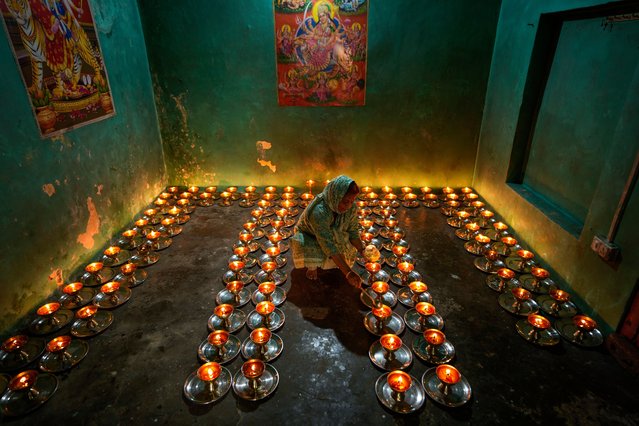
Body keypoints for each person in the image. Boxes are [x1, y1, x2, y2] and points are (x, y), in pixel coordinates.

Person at [291, 175, 364, 288]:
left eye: (352, 201)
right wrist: (348, 273)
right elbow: (328, 245)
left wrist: (363, 250)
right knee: (316, 247)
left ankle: (338, 264)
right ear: (336, 196)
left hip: (330, 232)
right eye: (345, 201)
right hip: (310, 234)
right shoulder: (319, 212)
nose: (349, 206)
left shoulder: (351, 208)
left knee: (346, 241)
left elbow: (353, 230)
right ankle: (312, 267)